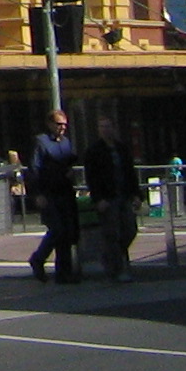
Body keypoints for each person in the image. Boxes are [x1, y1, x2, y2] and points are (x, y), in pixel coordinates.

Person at [27, 109, 81, 283]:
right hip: (49, 192)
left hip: (65, 191)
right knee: (56, 229)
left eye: (64, 124)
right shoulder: (41, 142)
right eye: (59, 124)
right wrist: (38, 194)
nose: (62, 128)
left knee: (66, 232)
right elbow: (35, 169)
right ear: (50, 124)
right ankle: (38, 258)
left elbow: (69, 162)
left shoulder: (66, 143)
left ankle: (64, 272)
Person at [84, 117, 139, 283]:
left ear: (113, 128)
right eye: (101, 127)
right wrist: (98, 198)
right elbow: (91, 177)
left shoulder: (122, 149)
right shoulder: (94, 151)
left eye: (108, 126)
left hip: (124, 195)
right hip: (107, 198)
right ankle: (116, 270)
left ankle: (110, 258)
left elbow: (130, 172)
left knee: (130, 229)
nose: (105, 130)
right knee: (112, 233)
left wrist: (136, 195)